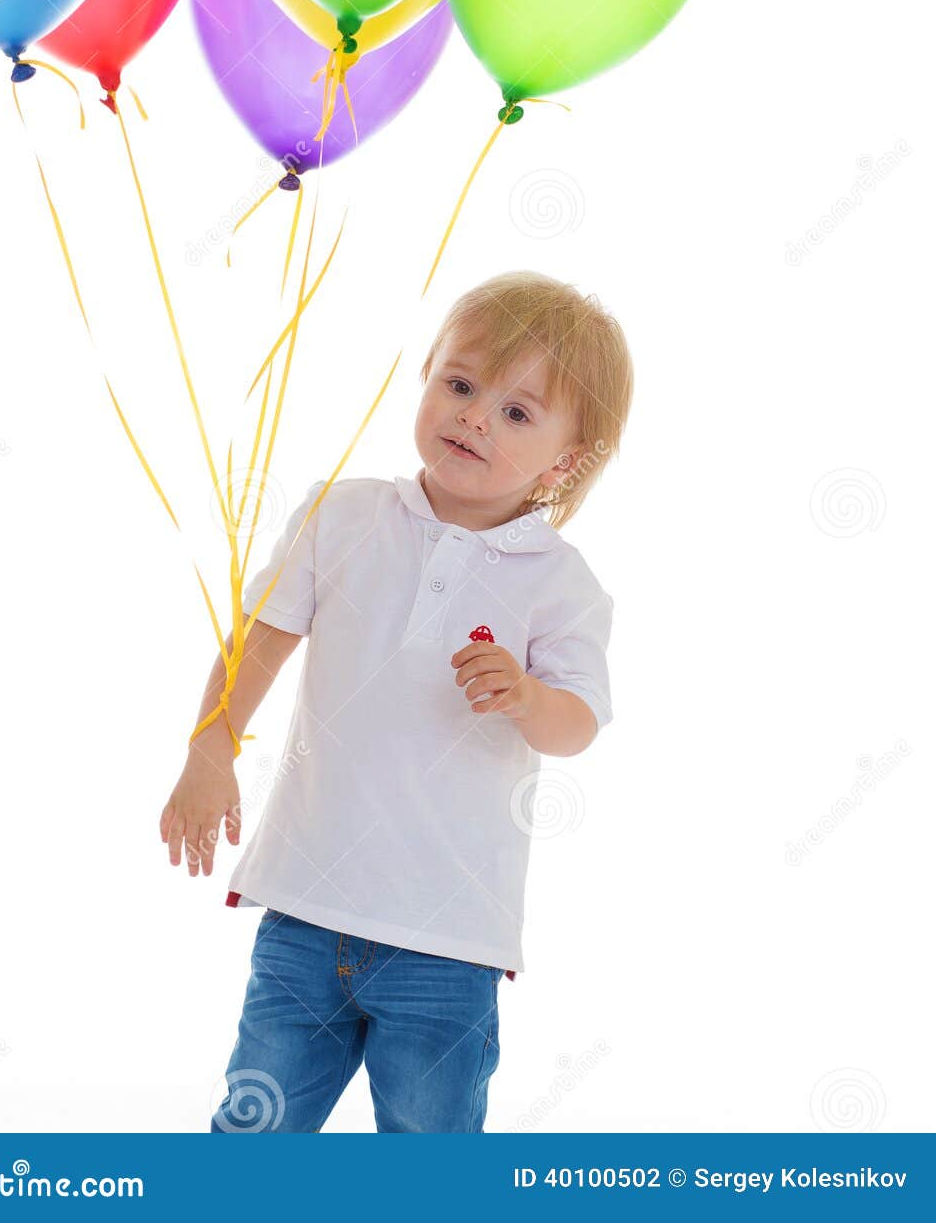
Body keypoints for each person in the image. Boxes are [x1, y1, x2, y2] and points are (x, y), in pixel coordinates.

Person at [160, 270, 633, 1132]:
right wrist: (208, 752)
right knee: (253, 1132)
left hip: (449, 943)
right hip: (305, 913)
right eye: (459, 383)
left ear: (565, 463)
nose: (474, 415)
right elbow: (258, 642)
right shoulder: (342, 516)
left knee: (428, 1153)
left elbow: (577, 726)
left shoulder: (562, 585)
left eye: (517, 412)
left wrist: (527, 695)